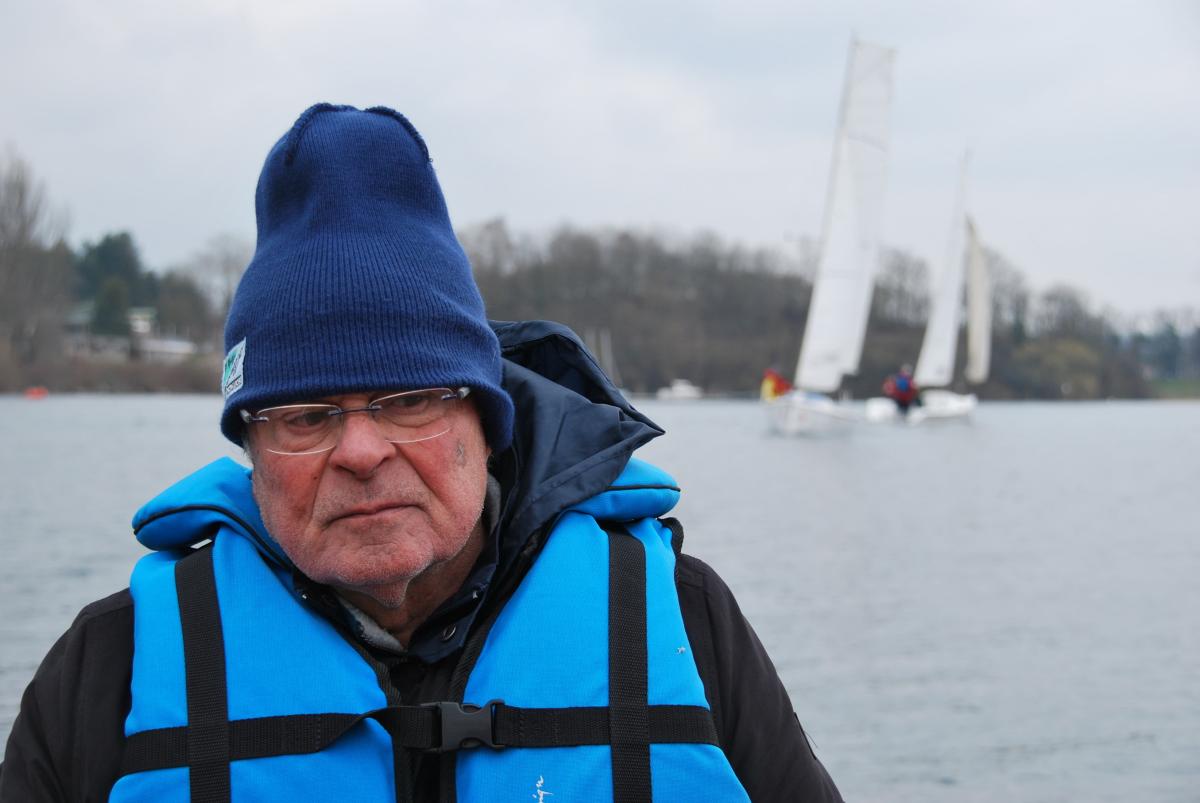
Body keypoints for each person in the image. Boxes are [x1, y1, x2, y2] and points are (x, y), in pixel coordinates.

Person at [0, 104, 843, 802]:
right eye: (306, 415)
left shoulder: (685, 623)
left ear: (487, 417)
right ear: (251, 446)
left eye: (409, 400)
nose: (362, 451)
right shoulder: (111, 667)